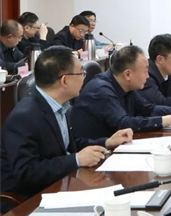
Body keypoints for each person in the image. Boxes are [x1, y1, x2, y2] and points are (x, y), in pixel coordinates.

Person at [0, 46, 133, 202]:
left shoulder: (60, 106)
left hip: (57, 186)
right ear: (64, 80)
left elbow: (68, 145)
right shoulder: (25, 117)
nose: (84, 78)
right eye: (81, 73)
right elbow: (26, 172)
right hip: (27, 200)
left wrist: (107, 142)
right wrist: (76, 160)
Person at [71, 45, 171, 139]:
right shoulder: (101, 90)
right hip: (95, 155)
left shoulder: (126, 86)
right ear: (128, 74)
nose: (148, 76)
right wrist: (170, 120)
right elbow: (124, 123)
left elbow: (148, 109)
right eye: (145, 71)